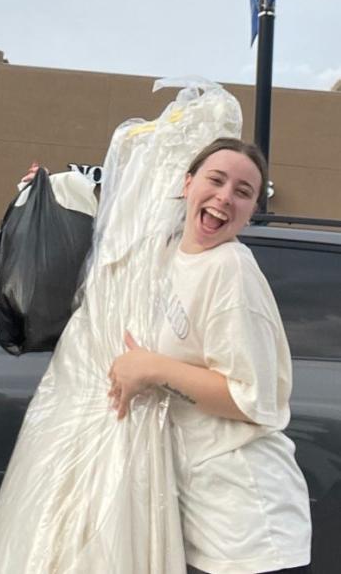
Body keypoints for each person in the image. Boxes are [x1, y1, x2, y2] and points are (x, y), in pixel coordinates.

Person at [106, 137, 311, 574]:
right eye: (215, 180)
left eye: (242, 192)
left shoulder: (231, 268)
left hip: (250, 529)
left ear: (253, 208)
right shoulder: (166, 257)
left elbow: (251, 399)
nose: (224, 197)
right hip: (203, 521)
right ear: (187, 183)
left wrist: (153, 367)